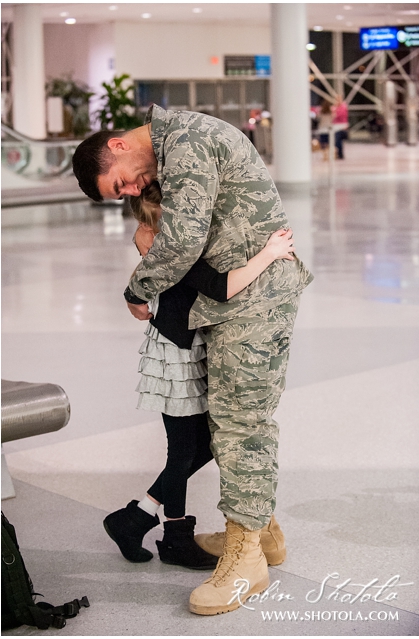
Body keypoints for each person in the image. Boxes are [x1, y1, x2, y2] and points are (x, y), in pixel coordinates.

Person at [72, 104, 313, 615]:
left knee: (240, 424)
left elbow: (182, 239)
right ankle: (262, 534)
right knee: (232, 421)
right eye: (126, 194)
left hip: (255, 301)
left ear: (117, 147)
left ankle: (246, 557)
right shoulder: (178, 142)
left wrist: (136, 289)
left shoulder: (183, 139)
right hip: (237, 300)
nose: (135, 192)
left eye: (122, 185)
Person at [105, 180, 295, 570]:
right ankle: (161, 531)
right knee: (188, 449)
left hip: (188, 347)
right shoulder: (170, 246)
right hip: (175, 355)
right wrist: (270, 253)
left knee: (200, 444)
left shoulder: (151, 234)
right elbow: (220, 287)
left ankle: (145, 521)